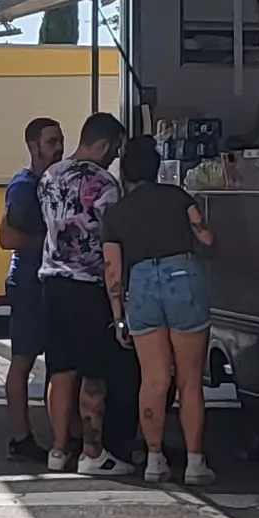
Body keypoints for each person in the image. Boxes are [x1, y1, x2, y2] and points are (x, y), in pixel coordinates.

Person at [101, 136, 215, 485]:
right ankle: (195, 464)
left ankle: (154, 460)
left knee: (153, 379)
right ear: (156, 169)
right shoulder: (178, 197)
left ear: (125, 174)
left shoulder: (115, 213)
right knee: (189, 380)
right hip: (182, 276)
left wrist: (119, 316)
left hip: (142, 284)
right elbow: (206, 238)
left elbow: (112, 270)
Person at [38, 113, 133, 475]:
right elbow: (112, 239)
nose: (115, 157)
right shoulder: (104, 183)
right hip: (88, 286)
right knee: (94, 372)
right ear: (105, 144)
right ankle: (93, 452)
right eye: (115, 149)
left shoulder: (49, 176)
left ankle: (58, 449)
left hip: (52, 281)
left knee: (61, 369)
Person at [0, 117, 62, 461]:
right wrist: (51, 242)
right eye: (52, 142)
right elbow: (6, 237)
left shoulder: (53, 183)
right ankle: (20, 437)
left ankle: (63, 436)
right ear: (33, 146)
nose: (59, 148)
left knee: (60, 362)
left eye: (61, 141)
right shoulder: (24, 187)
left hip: (50, 282)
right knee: (23, 360)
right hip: (28, 282)